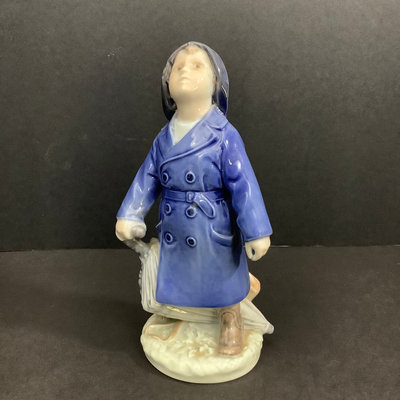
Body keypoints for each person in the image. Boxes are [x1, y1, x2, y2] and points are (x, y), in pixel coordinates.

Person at [115, 41, 272, 355]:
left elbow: (243, 184)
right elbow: (147, 177)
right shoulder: (164, 138)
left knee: (221, 277)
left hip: (211, 225)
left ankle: (230, 316)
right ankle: (182, 313)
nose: (185, 71)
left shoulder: (224, 134)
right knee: (181, 276)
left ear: (215, 81)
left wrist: (257, 231)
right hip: (176, 223)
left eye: (197, 65)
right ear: (167, 83)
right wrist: (130, 213)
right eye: (178, 68)